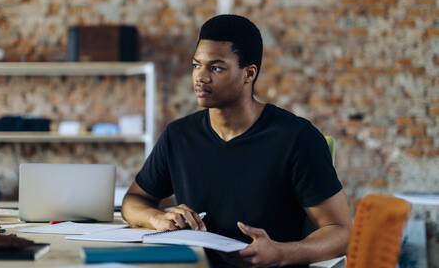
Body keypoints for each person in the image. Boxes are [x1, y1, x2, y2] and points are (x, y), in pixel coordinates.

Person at [122, 14, 352, 267]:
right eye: (196, 65)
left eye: (216, 68)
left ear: (249, 74)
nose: (201, 77)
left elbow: (341, 231)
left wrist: (282, 253)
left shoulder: (297, 138)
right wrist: (157, 218)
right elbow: (134, 201)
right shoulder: (179, 135)